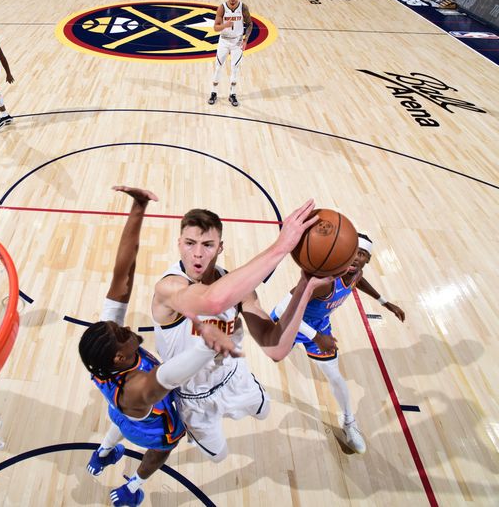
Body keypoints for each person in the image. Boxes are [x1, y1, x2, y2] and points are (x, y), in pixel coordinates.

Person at [80, 186, 237, 507]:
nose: (124, 326)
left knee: (116, 424)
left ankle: (104, 452)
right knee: (159, 452)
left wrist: (138, 208)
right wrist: (208, 346)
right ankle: (134, 486)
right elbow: (168, 376)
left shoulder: (108, 354)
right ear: (122, 356)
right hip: (150, 430)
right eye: (121, 333)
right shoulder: (136, 388)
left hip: (119, 414)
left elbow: (123, 269)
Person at [151, 201, 332, 462]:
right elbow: (213, 301)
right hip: (194, 397)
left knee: (264, 410)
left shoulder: (238, 288)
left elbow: (276, 348)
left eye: (208, 245)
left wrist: (306, 286)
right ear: (179, 244)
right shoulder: (169, 288)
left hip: (235, 378)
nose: (198, 254)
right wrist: (281, 246)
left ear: (220, 248)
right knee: (219, 456)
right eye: (190, 243)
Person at [269, 233, 406, 454]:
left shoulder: (355, 273)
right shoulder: (325, 281)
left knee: (335, 377)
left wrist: (385, 302)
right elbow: (287, 308)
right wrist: (316, 337)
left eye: (361, 255)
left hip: (319, 324)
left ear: (367, 260)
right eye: (352, 252)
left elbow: (358, 280)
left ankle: (349, 421)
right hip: (291, 322)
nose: (355, 258)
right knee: (271, 356)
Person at [207, 0, 252, 107]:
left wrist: (245, 40)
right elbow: (215, 28)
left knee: (235, 68)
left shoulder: (243, 8)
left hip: (237, 42)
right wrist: (225, 25)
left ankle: (232, 94)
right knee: (218, 67)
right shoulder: (222, 8)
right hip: (224, 41)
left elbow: (249, 24)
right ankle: (213, 92)